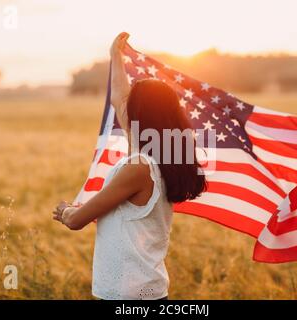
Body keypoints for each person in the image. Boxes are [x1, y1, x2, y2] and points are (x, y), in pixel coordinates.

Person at [52, 32, 207, 300]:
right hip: (148, 289)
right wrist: (116, 56)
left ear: (140, 113)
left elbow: (78, 221)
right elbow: (119, 98)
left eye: (131, 104)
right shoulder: (165, 154)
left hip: (129, 296)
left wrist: (66, 211)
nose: (124, 106)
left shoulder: (138, 167)